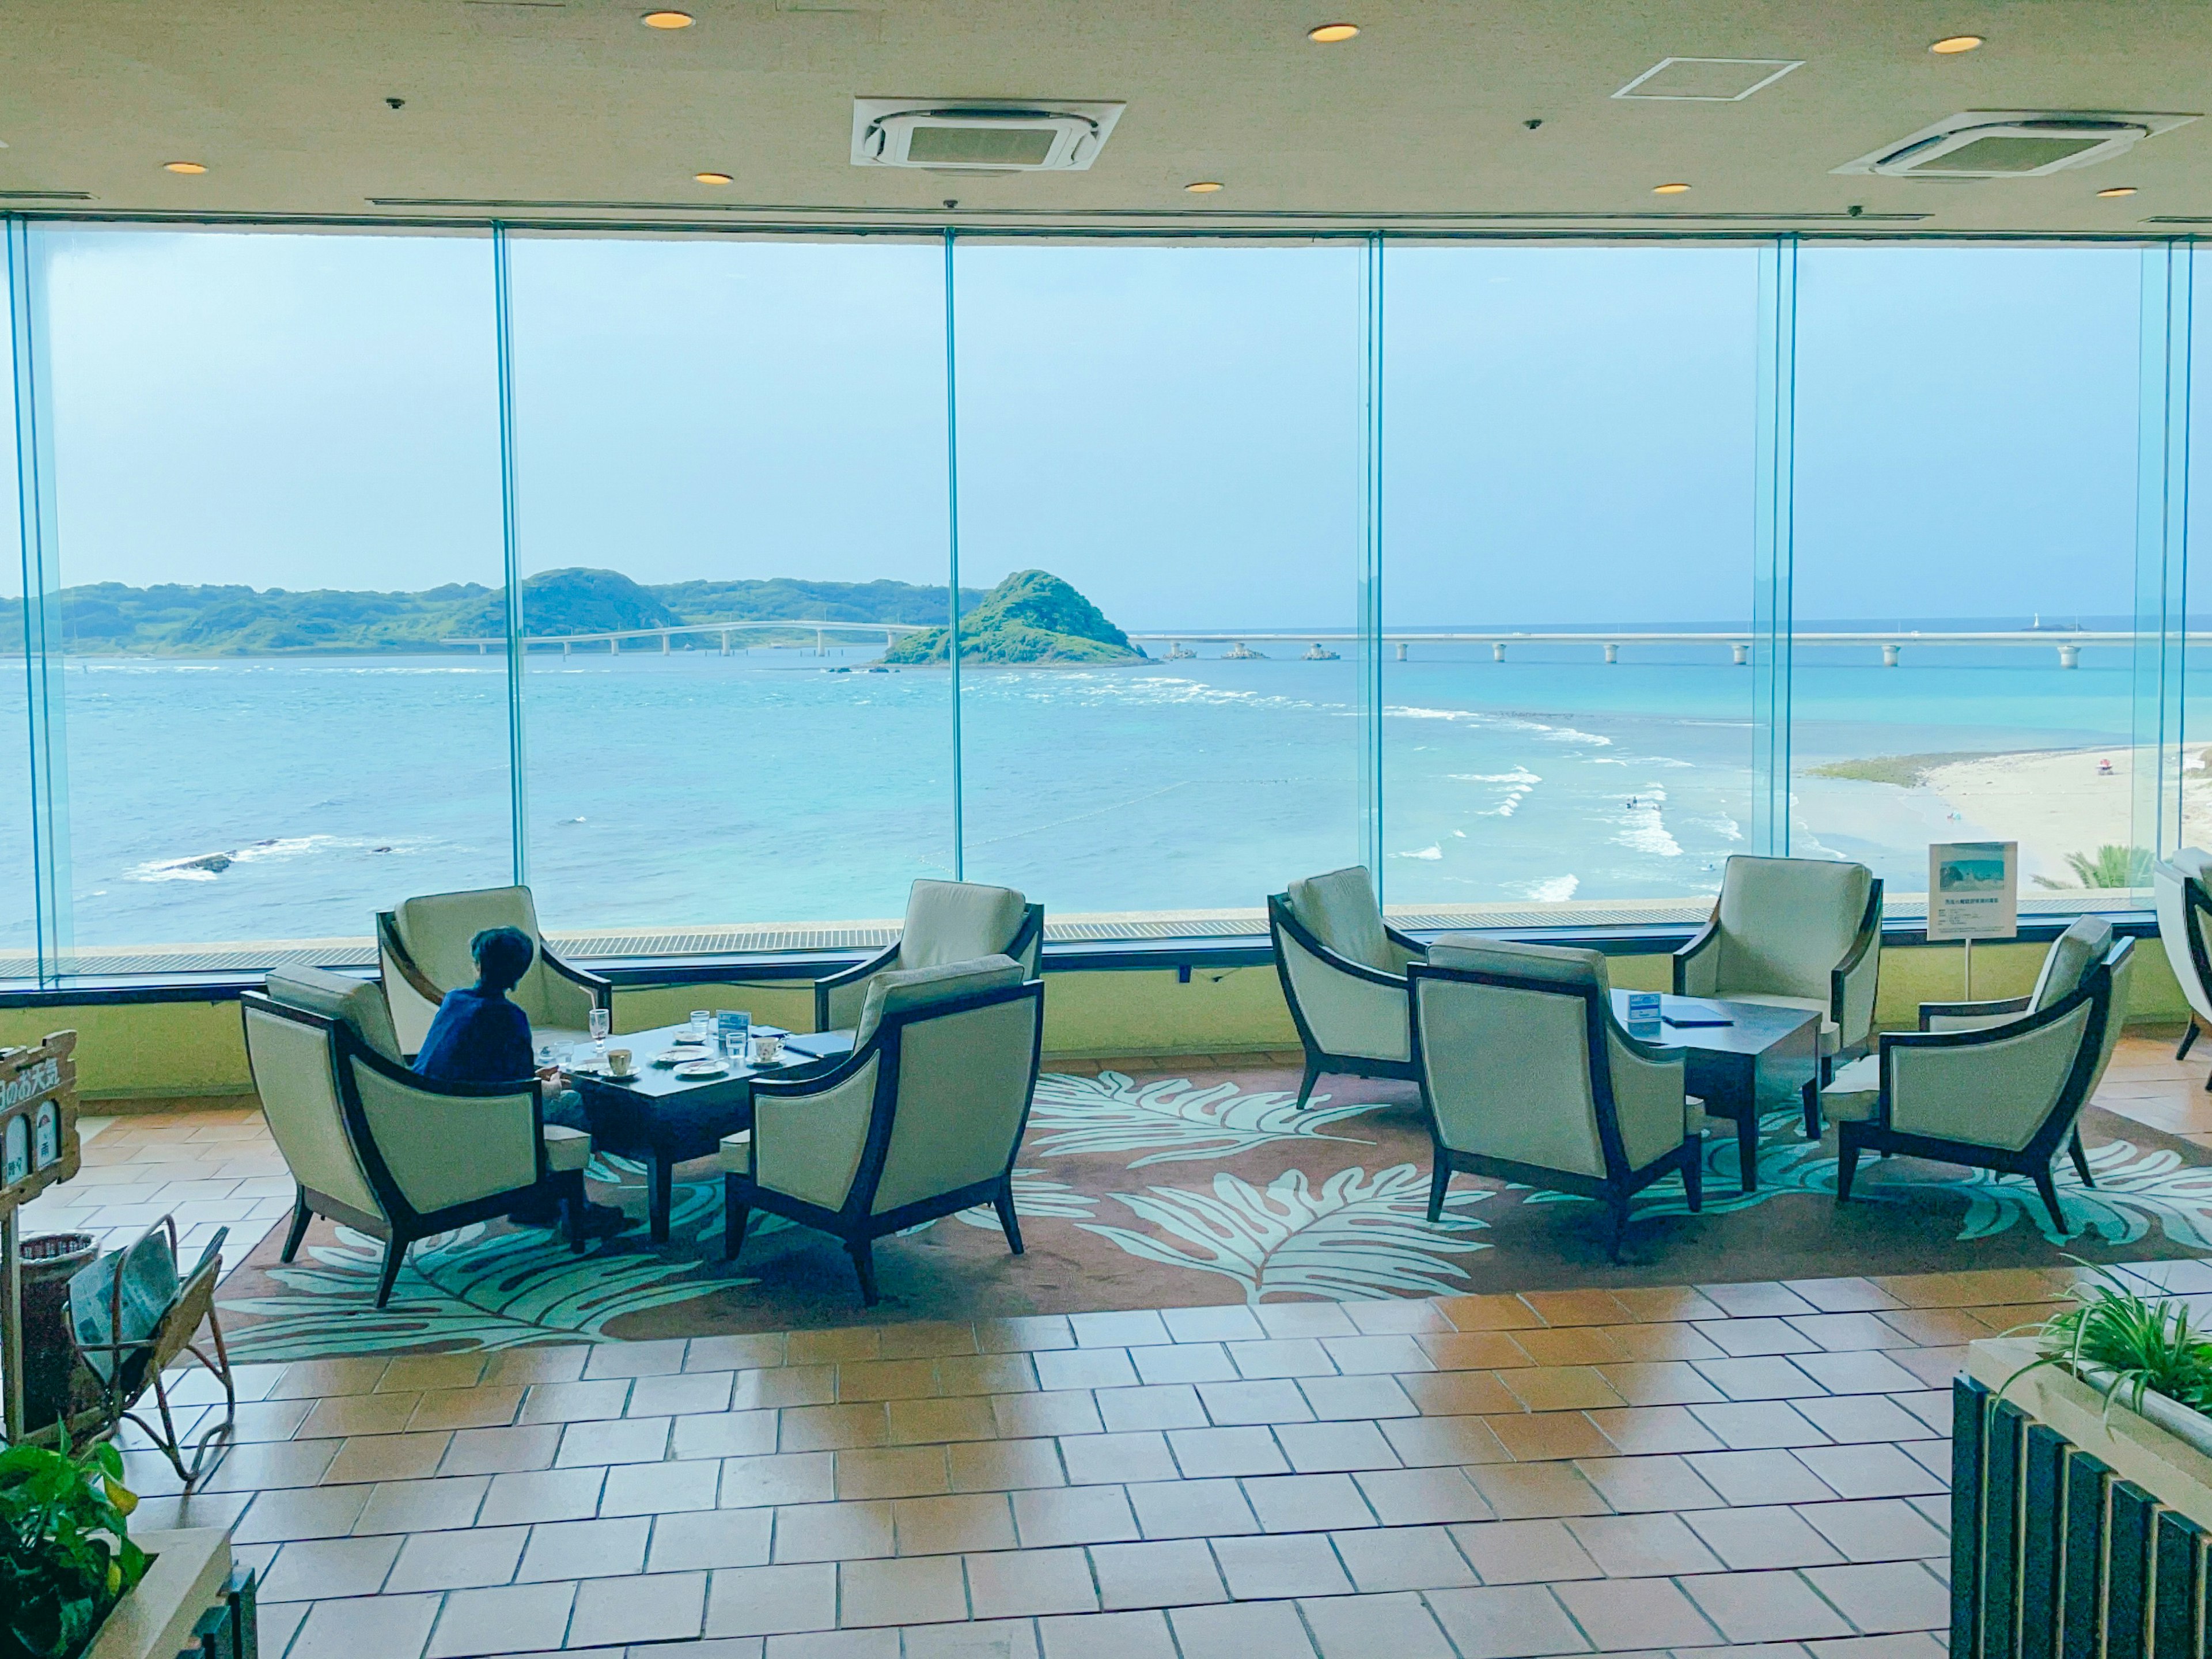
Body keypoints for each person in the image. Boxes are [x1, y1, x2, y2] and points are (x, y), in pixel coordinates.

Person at [415, 925, 624, 1239]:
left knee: (559, 1096)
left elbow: (486, 1070)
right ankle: (575, 1208)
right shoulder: (507, 1015)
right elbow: (521, 1093)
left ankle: (541, 1201)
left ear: (478, 964)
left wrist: (537, 1081)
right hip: (476, 1120)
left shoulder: (455, 1001)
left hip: (430, 1108)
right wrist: (554, 1086)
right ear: (520, 972)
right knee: (572, 1101)